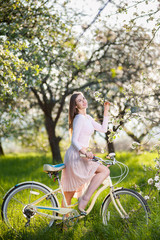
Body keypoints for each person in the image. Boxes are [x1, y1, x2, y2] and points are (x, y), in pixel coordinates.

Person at [61, 92, 110, 215]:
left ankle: (81, 201)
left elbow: (103, 129)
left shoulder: (87, 118)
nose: (83, 101)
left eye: (83, 99)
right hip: (76, 156)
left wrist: (106, 110)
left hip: (82, 156)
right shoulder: (79, 118)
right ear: (75, 106)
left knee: (103, 171)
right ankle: (64, 220)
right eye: (79, 101)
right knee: (69, 192)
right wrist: (85, 152)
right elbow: (74, 141)